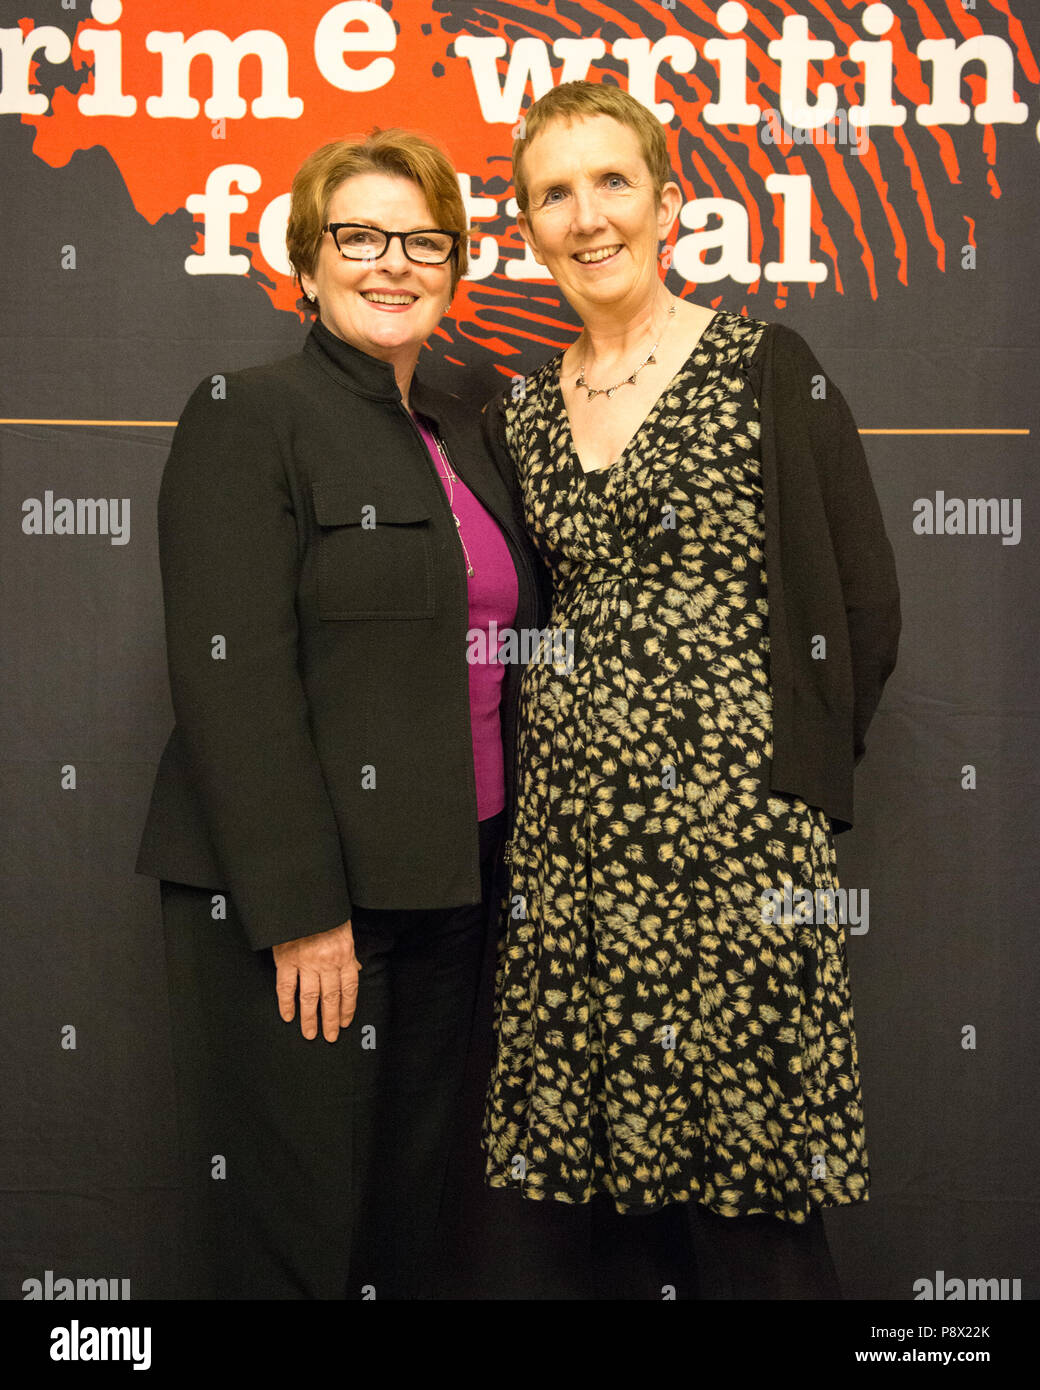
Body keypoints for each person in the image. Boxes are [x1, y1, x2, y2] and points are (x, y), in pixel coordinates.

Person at [480, 81, 902, 1300]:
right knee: (605, 1206)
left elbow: (863, 606)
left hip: (736, 854)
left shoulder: (767, 365)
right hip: (573, 866)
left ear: (668, 204)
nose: (586, 215)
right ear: (528, 224)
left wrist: (780, 796)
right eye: (554, 192)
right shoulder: (517, 417)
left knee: (754, 1206)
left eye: (611, 181)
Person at [134, 129, 552, 1299]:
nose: (392, 264)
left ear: (453, 267)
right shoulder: (248, 413)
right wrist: (304, 913)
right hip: (307, 903)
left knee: (406, 1230)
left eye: (423, 241)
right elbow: (231, 678)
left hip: (452, 884)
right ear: (304, 266)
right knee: (302, 1230)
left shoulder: (472, 427)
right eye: (357, 237)